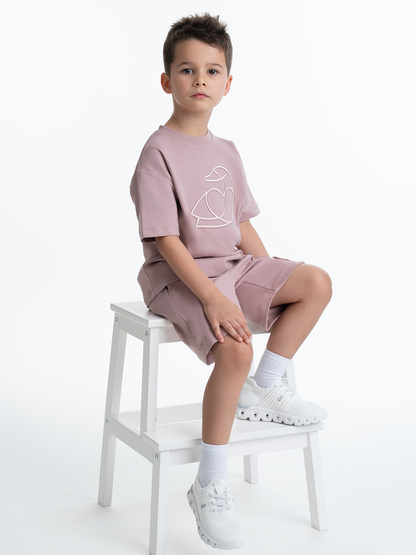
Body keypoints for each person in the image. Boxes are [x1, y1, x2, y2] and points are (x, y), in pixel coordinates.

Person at [130, 13, 332, 550]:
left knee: (315, 282)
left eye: (212, 70)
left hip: (231, 266)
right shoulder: (157, 153)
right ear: (167, 80)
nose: (200, 79)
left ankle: (263, 388)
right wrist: (214, 298)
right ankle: (210, 482)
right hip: (176, 276)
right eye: (187, 69)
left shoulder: (228, 151)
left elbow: (240, 224)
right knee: (235, 349)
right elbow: (166, 240)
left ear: (227, 83)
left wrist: (269, 278)